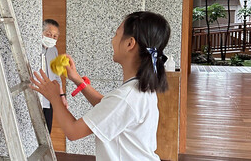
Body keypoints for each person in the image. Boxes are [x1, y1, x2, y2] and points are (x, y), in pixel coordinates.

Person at [31, 11, 170, 161]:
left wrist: (54, 98)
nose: (112, 40)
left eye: (116, 34)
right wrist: (77, 79)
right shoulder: (138, 88)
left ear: (130, 43)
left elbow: (72, 131)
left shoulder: (126, 97)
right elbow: (108, 107)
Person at [40, 19, 67, 133]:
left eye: (55, 36)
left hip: (49, 98)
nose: (51, 38)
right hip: (36, 95)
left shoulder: (54, 50)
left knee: (46, 131)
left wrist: (62, 96)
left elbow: (56, 76)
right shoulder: (33, 49)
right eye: (48, 34)